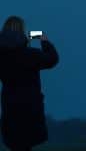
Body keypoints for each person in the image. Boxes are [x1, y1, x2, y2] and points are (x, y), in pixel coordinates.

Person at [0, 16, 59, 151]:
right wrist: (43, 39)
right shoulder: (31, 55)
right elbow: (53, 59)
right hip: (30, 111)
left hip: (10, 111)